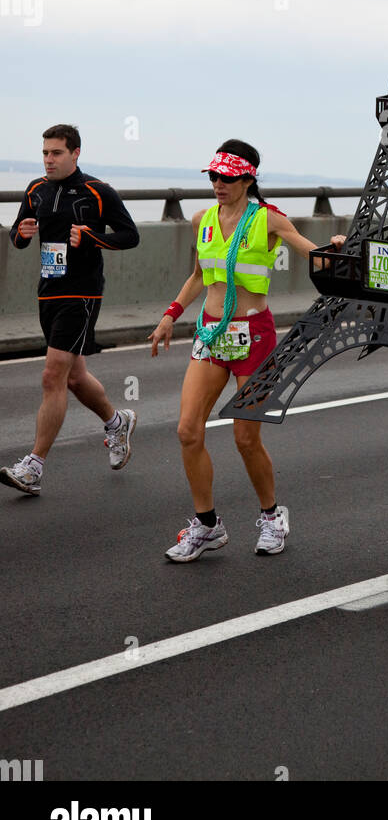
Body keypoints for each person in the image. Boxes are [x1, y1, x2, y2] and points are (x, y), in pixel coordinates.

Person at [149, 141, 329, 562]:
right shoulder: (202, 220)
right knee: (187, 430)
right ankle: (207, 526)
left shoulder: (267, 219)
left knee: (245, 436)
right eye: (213, 177)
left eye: (227, 178)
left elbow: (307, 249)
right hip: (211, 335)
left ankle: (271, 516)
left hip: (254, 335)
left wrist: (337, 252)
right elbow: (199, 275)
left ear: (248, 179)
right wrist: (170, 315)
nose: (218, 185)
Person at [1, 125, 140, 496]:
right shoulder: (36, 190)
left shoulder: (98, 192)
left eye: (56, 153)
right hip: (48, 291)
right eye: (45, 153)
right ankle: (117, 422)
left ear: (75, 153)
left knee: (52, 375)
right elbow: (17, 234)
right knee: (75, 377)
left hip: (82, 293)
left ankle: (33, 466)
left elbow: (130, 235)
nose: (49, 159)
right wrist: (22, 234)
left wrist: (93, 238)